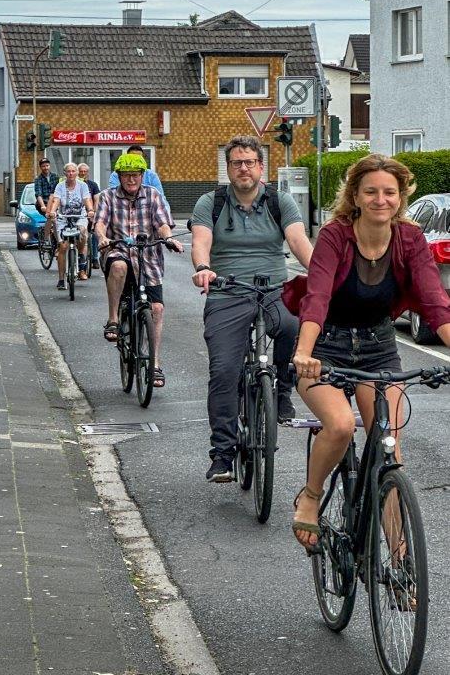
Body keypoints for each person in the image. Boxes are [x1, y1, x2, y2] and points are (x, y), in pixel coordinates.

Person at [289, 153, 450, 551]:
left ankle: (399, 563)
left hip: (379, 350)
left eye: (390, 192)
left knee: (389, 445)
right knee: (341, 426)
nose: (382, 200)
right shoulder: (336, 235)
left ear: (401, 197)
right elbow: (318, 296)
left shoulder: (410, 239)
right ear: (356, 196)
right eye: (371, 191)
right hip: (326, 347)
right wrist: (303, 352)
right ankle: (311, 496)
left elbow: (434, 302)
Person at [190, 135, 313, 483]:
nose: (243, 168)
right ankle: (223, 453)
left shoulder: (280, 201)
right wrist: (203, 268)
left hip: (274, 288)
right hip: (227, 291)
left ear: (261, 167)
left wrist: (323, 275)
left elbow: (298, 240)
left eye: (250, 162)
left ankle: (283, 388)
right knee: (224, 371)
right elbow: (201, 242)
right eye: (236, 163)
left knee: (295, 327)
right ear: (228, 168)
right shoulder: (210, 203)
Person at [95, 152, 184, 388]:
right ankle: (113, 318)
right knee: (119, 266)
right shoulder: (107, 197)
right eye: (126, 176)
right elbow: (100, 223)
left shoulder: (153, 196)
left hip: (148, 256)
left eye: (135, 175)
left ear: (142, 176)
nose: (131, 180)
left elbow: (163, 224)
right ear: (119, 177)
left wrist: (169, 239)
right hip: (119, 250)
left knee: (156, 308)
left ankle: (154, 364)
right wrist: (103, 238)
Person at [47, 163, 95, 289]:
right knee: (63, 246)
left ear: (77, 173)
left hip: (79, 216)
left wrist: (90, 210)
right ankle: (61, 279)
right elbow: (56, 200)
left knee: (83, 231)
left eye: (73, 171)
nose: (71, 174)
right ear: (65, 173)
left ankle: (81, 255)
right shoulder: (60, 186)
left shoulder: (83, 186)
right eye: (68, 171)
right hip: (64, 217)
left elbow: (86, 199)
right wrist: (52, 211)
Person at [108, 144, 173, 225]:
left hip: (147, 214)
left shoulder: (151, 175)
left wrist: (165, 220)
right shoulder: (115, 175)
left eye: (139, 158)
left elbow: (161, 198)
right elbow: (114, 197)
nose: (131, 179)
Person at [78, 163, 101, 269]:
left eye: (85, 171)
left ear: (88, 172)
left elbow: (96, 200)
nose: (83, 173)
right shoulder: (76, 184)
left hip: (90, 212)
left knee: (95, 233)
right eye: (81, 171)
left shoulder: (93, 185)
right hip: (78, 213)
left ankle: (95, 258)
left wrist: (94, 213)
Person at [34, 158, 59, 245]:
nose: (46, 168)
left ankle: (57, 239)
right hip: (44, 202)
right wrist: (42, 206)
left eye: (47, 165)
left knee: (58, 220)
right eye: (43, 166)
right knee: (51, 217)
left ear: (50, 166)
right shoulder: (38, 179)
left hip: (54, 202)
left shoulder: (55, 177)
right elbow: (38, 194)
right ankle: (46, 238)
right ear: (40, 167)